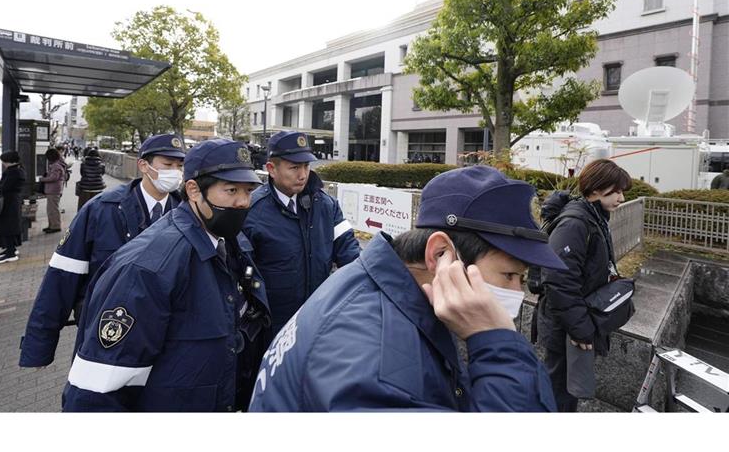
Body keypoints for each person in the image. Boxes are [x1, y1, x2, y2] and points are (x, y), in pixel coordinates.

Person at [249, 165, 566, 412]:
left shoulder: (369, 284)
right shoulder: (373, 359)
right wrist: (499, 344)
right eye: (509, 275)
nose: (517, 291)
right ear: (440, 254)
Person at [62, 139, 271, 412]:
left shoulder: (228, 243)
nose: (243, 202)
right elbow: (97, 391)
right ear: (194, 190)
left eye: (248, 191)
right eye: (231, 190)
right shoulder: (149, 267)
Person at [19, 134, 186, 368]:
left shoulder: (186, 214)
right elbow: (61, 278)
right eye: (167, 165)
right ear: (143, 165)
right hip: (104, 332)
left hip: (164, 338)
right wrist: (38, 348)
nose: (175, 172)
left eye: (180, 166)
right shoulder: (101, 210)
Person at [536, 159, 632, 412]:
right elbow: (558, 280)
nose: (621, 198)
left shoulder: (594, 216)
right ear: (596, 189)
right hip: (566, 325)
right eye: (617, 191)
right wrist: (580, 330)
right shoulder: (576, 223)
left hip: (573, 319)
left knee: (568, 386)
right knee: (561, 391)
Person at [243, 130, 361, 336]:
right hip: (271, 327)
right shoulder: (252, 210)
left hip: (318, 320)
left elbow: (351, 256)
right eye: (294, 167)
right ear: (271, 169)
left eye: (306, 166)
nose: (303, 175)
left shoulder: (327, 206)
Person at [0, 151, 27, 264]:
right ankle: (10, 249)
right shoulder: (17, 170)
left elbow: (3, 188)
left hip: (8, 204)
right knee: (8, 226)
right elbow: (6, 185)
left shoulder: (13, 172)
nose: (3, 163)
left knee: (6, 227)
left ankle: (10, 254)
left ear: (9, 161)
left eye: (4, 161)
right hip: (11, 202)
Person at [39, 148, 66, 233]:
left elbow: (54, 177)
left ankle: (55, 226)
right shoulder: (57, 164)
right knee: (51, 209)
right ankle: (52, 225)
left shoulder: (56, 166)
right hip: (53, 190)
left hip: (53, 190)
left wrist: (42, 179)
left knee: (53, 209)